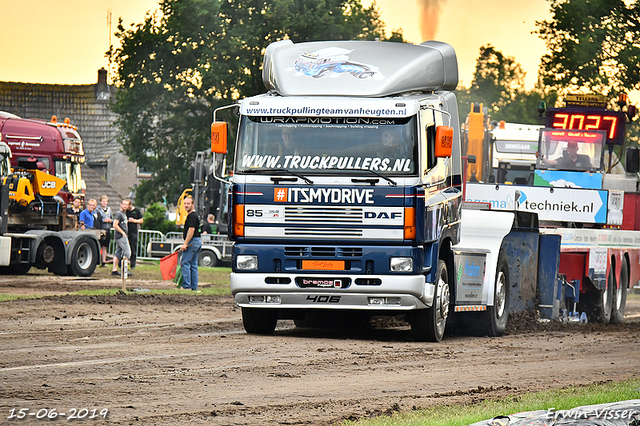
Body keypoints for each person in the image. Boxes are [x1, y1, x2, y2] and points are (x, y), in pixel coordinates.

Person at [179, 195, 202, 291]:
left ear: (193, 204)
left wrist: (185, 243)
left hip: (192, 242)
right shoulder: (195, 215)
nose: (186, 205)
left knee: (185, 263)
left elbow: (191, 230)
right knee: (193, 265)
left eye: (188, 203)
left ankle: (186, 286)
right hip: (197, 241)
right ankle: (194, 287)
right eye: (184, 203)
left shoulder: (192, 216)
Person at [111, 199, 132, 277]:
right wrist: (122, 233)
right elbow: (115, 225)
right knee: (127, 252)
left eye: (127, 205)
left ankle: (114, 270)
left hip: (121, 236)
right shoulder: (119, 214)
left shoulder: (124, 214)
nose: (125, 206)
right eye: (124, 204)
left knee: (118, 253)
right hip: (121, 236)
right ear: (121, 204)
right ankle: (124, 269)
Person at [96, 195, 113, 267]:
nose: (104, 203)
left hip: (108, 229)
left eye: (105, 201)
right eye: (103, 201)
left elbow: (112, 219)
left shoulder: (109, 209)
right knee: (99, 245)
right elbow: (97, 219)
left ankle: (104, 262)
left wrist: (110, 221)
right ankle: (97, 261)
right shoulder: (97, 209)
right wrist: (104, 220)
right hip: (101, 229)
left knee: (105, 246)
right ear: (100, 202)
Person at [126, 202, 144, 269]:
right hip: (126, 231)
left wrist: (135, 221)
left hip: (133, 232)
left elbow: (141, 220)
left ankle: (133, 263)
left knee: (133, 248)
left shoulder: (136, 211)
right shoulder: (126, 211)